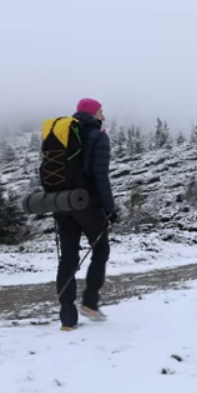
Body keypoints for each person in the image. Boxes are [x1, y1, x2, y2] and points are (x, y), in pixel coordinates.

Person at [54, 97, 119, 330]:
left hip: (61, 203)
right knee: (100, 250)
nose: (104, 116)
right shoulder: (98, 137)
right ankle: (90, 303)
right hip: (87, 203)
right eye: (102, 111)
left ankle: (67, 319)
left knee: (68, 258)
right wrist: (110, 209)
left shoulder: (64, 135)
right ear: (93, 114)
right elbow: (100, 176)